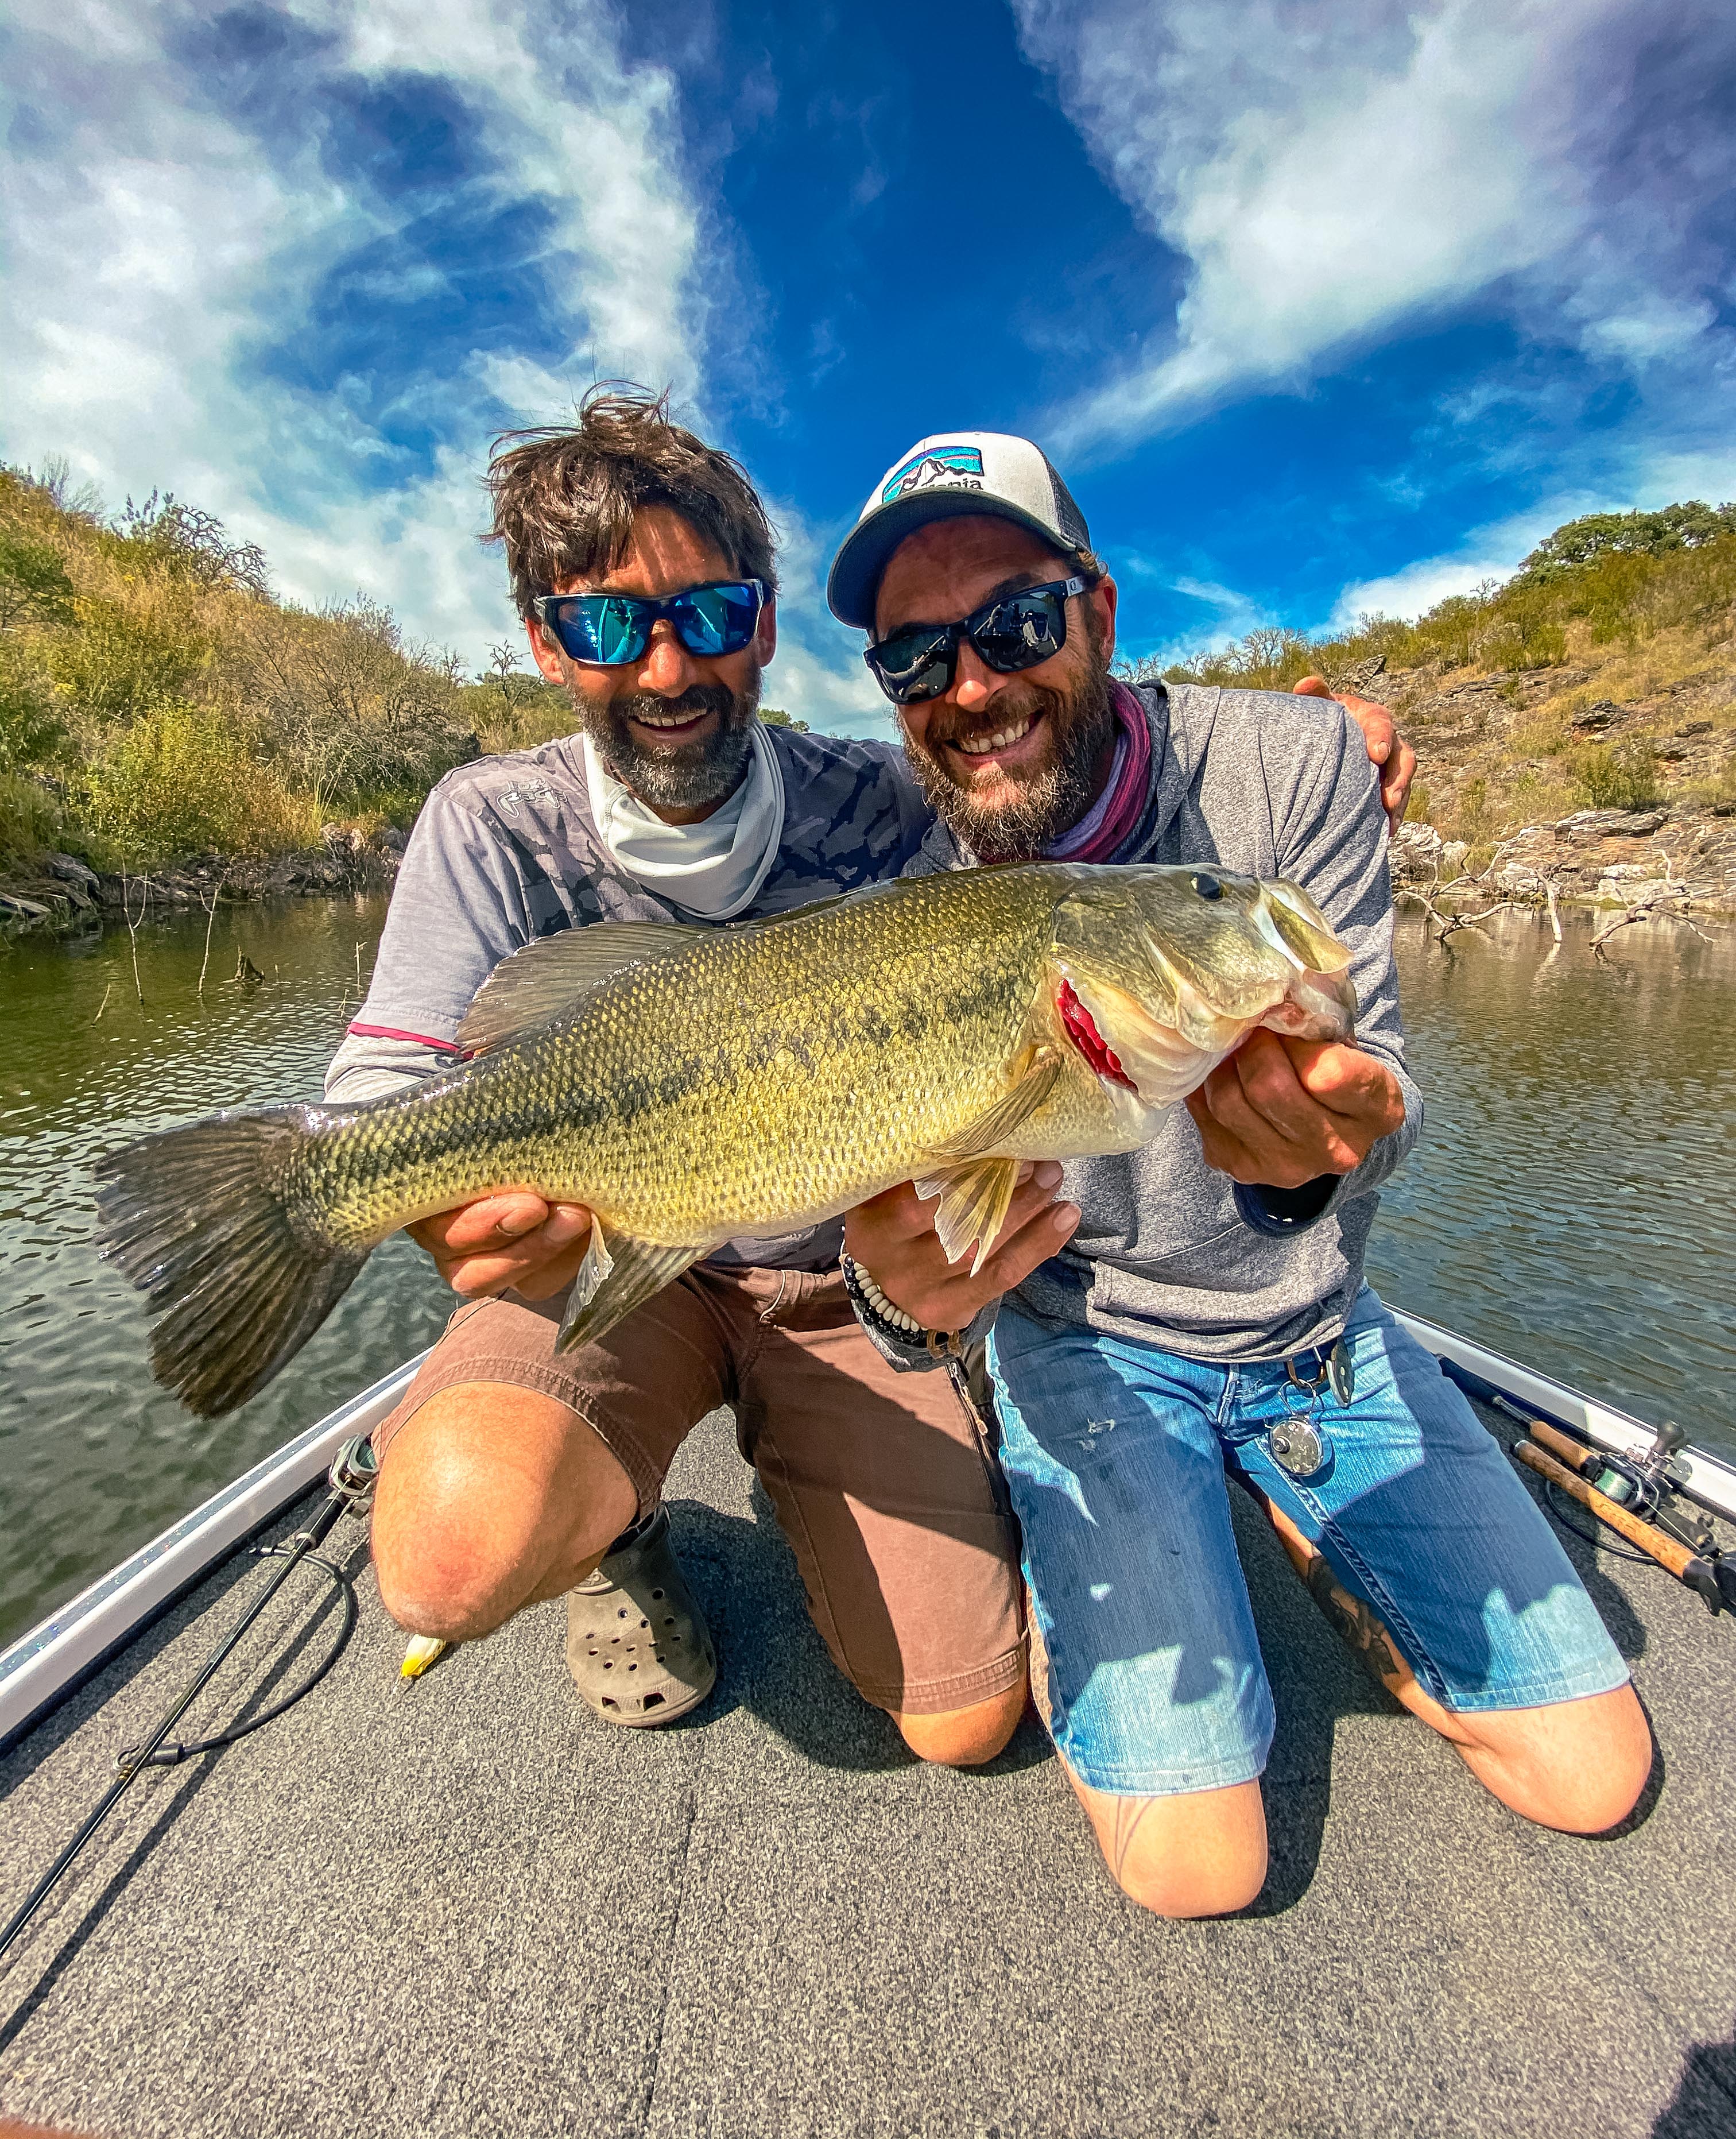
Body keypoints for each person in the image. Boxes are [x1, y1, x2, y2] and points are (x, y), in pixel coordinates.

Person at [338, 389, 1413, 1769]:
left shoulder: (897, 792)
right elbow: (386, 1076)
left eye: (712, 617)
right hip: (609, 1249)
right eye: (609, 626)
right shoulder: (485, 823)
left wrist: (1314, 733)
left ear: (766, 628)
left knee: (964, 1724)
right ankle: (618, 1527)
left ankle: (806, 1464)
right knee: (446, 1561)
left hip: (842, 1283)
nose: (668, 669)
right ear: (549, 646)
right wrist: (396, 1181)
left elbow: (1056, 759)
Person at [827, 430, 1653, 1914]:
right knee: (1200, 1871)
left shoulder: (1296, 764)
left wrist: (1326, 1157)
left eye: (1015, 623)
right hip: (1090, 1346)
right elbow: (893, 1228)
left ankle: (1293, 1502)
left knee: (1595, 1777)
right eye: (913, 661)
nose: (971, 687)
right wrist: (903, 1310)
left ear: (1102, 610)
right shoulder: (895, 881)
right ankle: (1128, 1500)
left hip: (1319, 1335)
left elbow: (1384, 1093)